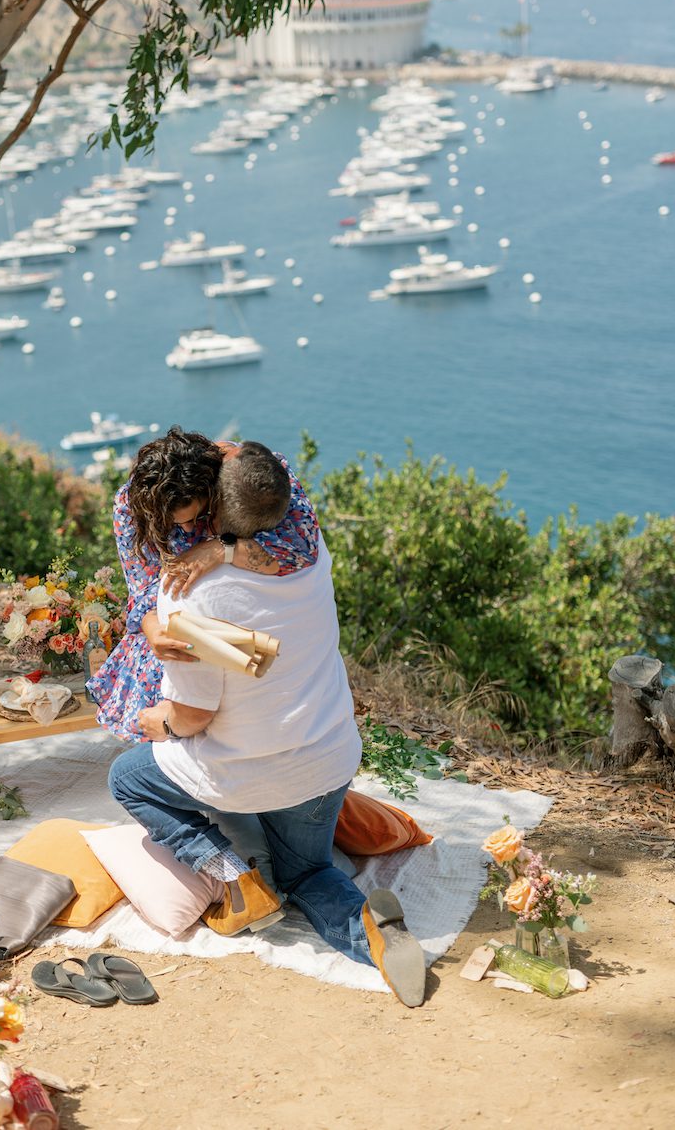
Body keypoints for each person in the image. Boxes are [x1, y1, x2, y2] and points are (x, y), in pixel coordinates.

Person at [107, 536, 428, 1007]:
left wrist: (157, 722)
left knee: (127, 777)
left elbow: (193, 716)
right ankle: (372, 937)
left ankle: (239, 881)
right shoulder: (309, 556)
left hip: (247, 776)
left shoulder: (188, 593)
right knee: (307, 873)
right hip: (325, 764)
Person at [86, 427, 320, 741]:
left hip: (247, 622)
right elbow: (141, 588)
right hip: (180, 626)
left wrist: (221, 548)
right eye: (174, 524)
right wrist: (153, 630)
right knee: (165, 687)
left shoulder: (251, 474)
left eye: (196, 517)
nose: (186, 529)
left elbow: (302, 550)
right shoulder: (130, 508)